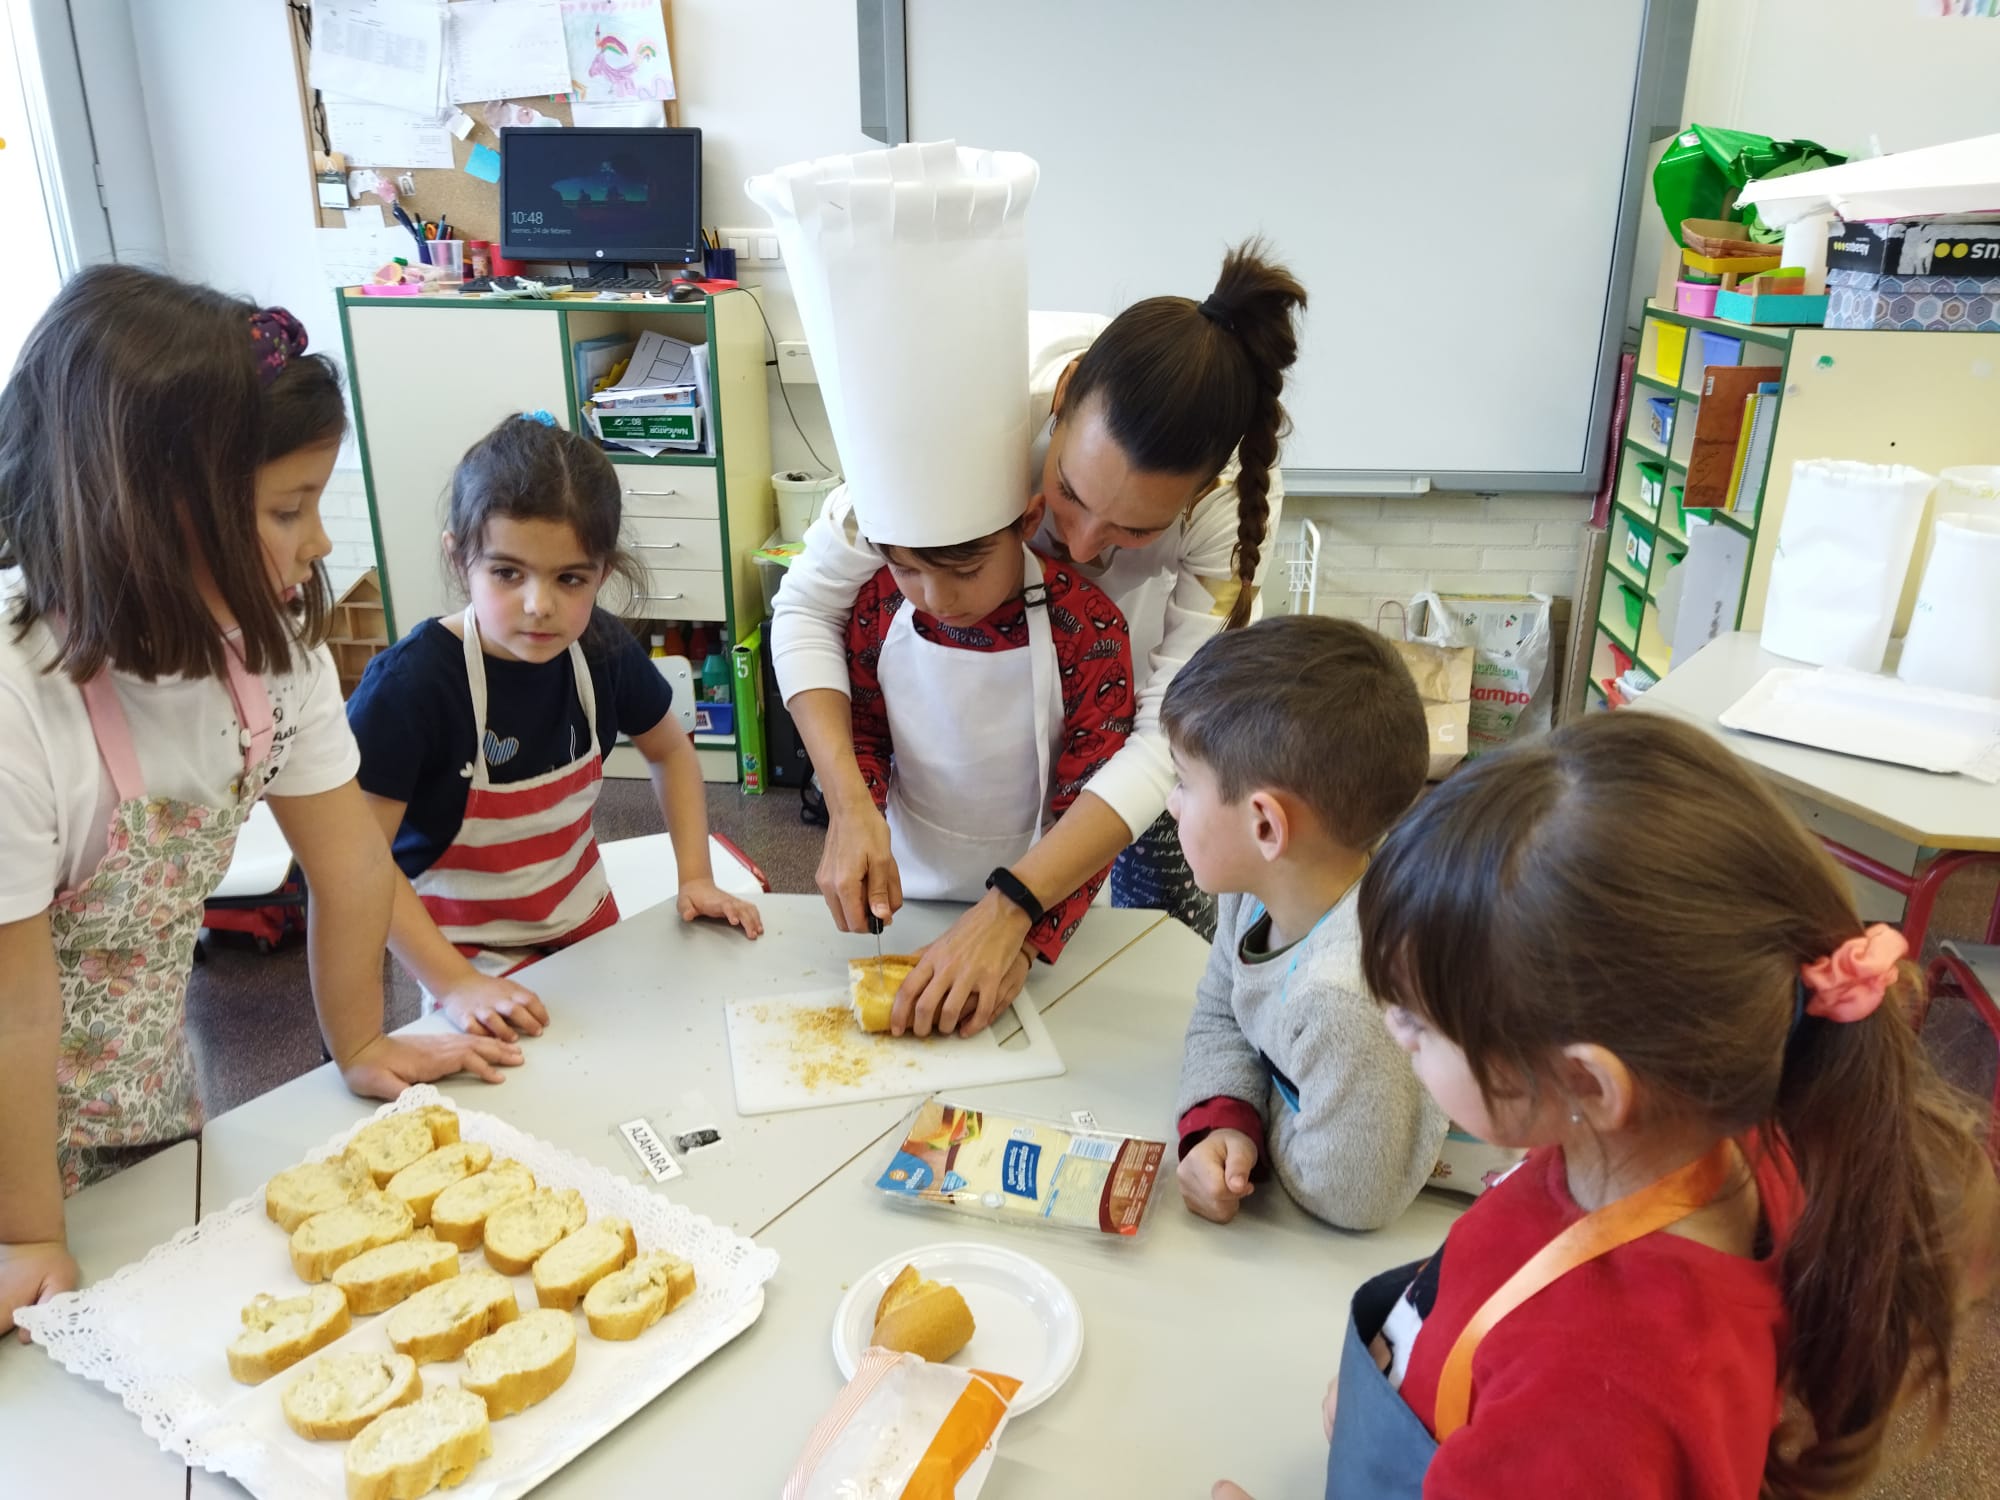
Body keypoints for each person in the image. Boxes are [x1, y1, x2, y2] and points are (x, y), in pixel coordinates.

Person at [1214, 713, 1996, 1500]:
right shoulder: (1685, 1130)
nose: (1392, 1028)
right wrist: (1401, 1370)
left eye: (1419, 1022)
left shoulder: (1598, 1397)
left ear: (1588, 1083)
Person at [0, 266, 519, 1336]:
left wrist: (360, 1043)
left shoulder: (269, 656)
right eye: (288, 509)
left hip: (143, 1098)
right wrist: (27, 1232)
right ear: (145, 510)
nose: (319, 541)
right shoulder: (18, 699)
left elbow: (351, 862)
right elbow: (15, 1009)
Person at [773, 240, 1307, 1035]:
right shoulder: (964, 416)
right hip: (986, 721)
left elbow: (1169, 735)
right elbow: (806, 607)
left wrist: (1019, 907)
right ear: (1058, 400)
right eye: (1068, 493)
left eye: (1135, 530)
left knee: (1147, 953)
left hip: (1125, 709)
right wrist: (849, 804)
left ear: (1201, 493)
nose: (1083, 547)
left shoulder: (1232, 503)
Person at [345, 415, 760, 1041]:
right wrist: (454, 984)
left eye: (570, 578)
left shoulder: (601, 650)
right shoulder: (410, 688)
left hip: (585, 924)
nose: (540, 605)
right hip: (465, 955)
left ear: (603, 574)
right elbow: (359, 861)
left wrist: (696, 877)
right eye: (507, 573)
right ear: (459, 559)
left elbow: (671, 752)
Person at [1166, 617, 1443, 1230]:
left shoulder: (1344, 997)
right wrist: (1224, 1120)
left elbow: (1349, 1198)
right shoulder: (1257, 893)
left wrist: (1255, 1120)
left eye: (1184, 782)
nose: (1171, 802)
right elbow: (1222, 1014)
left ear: (1266, 826)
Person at [847, 491, 1134, 1024]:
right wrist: (858, 820)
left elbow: (1095, 796)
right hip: (909, 894)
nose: (937, 598)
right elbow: (864, 735)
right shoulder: (876, 604)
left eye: (967, 571)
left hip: (1047, 902)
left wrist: (1026, 940)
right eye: (907, 569)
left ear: (1027, 522)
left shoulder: (1087, 625)